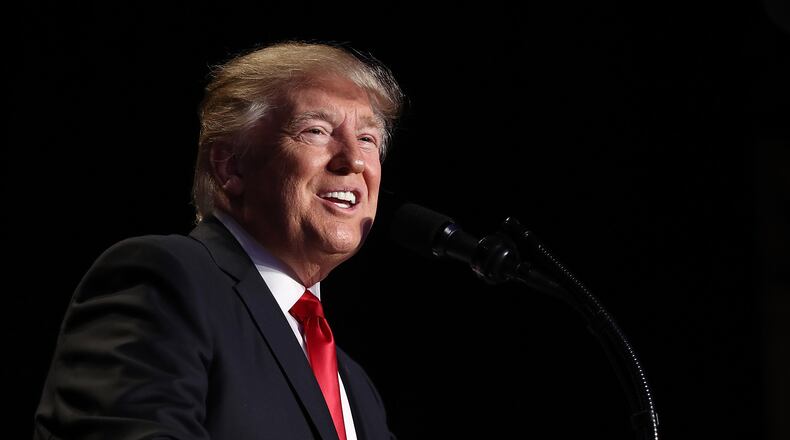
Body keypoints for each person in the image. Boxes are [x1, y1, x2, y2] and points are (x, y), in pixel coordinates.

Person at [33, 41, 403, 440]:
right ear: (231, 166)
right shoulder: (164, 280)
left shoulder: (357, 388)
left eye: (367, 139)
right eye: (316, 131)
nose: (354, 160)